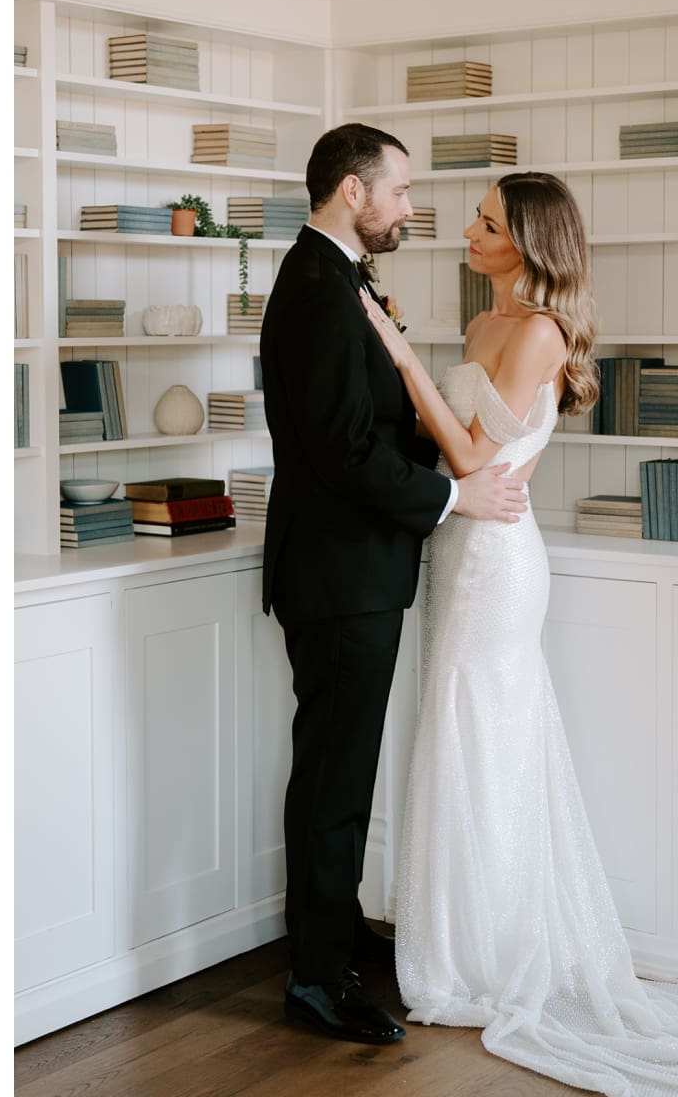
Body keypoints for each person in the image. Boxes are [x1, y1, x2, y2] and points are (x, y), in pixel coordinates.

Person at [359, 171, 678, 1093]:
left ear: (527, 243)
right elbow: (449, 452)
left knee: (490, 740)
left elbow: (477, 456)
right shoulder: (480, 327)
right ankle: (462, 942)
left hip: (499, 564)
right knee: (459, 738)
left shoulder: (541, 332)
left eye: (484, 226)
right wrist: (404, 374)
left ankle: (495, 952)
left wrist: (402, 358)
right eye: (474, 223)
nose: (466, 237)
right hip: (457, 551)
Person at [260, 122, 530, 1046]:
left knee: (344, 771)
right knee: (335, 778)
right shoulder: (318, 289)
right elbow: (342, 453)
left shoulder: (335, 278)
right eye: (401, 192)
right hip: (340, 574)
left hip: (353, 569)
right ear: (351, 191)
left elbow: (365, 430)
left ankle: (331, 942)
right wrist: (453, 494)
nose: (411, 209)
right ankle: (316, 978)